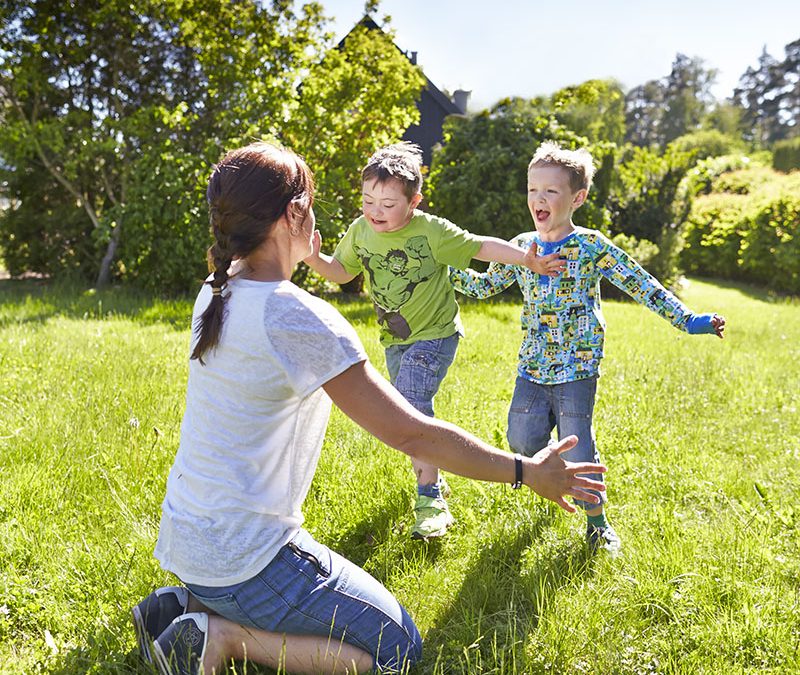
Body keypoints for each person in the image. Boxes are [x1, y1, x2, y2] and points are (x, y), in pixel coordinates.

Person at [133, 141, 607, 675]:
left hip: (186, 541)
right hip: (248, 560)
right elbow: (413, 434)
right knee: (398, 649)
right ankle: (220, 638)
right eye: (311, 202)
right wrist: (526, 471)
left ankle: (184, 607)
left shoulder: (216, 290)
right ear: (295, 215)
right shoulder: (296, 316)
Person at [451, 141, 726, 556]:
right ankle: (550, 471)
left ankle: (597, 523)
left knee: (579, 445)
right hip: (533, 365)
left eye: (551, 191)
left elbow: (641, 283)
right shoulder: (521, 245)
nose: (538, 199)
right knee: (521, 441)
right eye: (532, 190)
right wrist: (437, 264)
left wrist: (689, 320)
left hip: (578, 365)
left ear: (576, 198)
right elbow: (483, 286)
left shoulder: (592, 246)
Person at [303, 142, 558, 541]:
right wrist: (314, 259)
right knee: (411, 413)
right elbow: (340, 272)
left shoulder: (431, 231)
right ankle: (434, 467)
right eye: (368, 200)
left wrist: (526, 259)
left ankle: (430, 499)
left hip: (436, 335)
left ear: (413, 202)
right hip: (395, 338)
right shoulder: (360, 231)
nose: (375, 211)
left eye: (388, 204)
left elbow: (479, 246)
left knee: (410, 410)